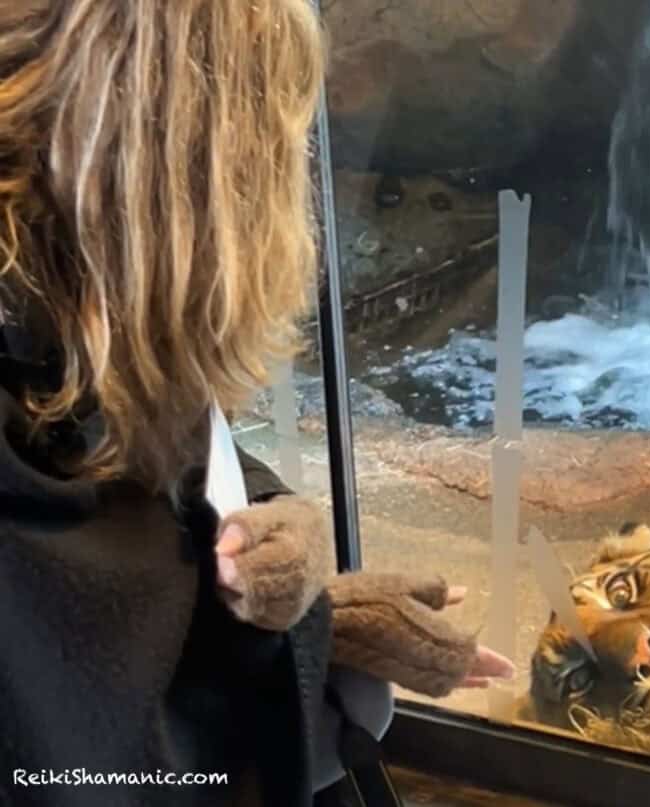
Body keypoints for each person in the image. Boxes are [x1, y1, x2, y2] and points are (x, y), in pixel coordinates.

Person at [0, 3, 512, 806]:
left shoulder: (70, 311)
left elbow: (164, 470)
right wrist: (323, 644)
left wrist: (279, 524)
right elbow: (98, 751)